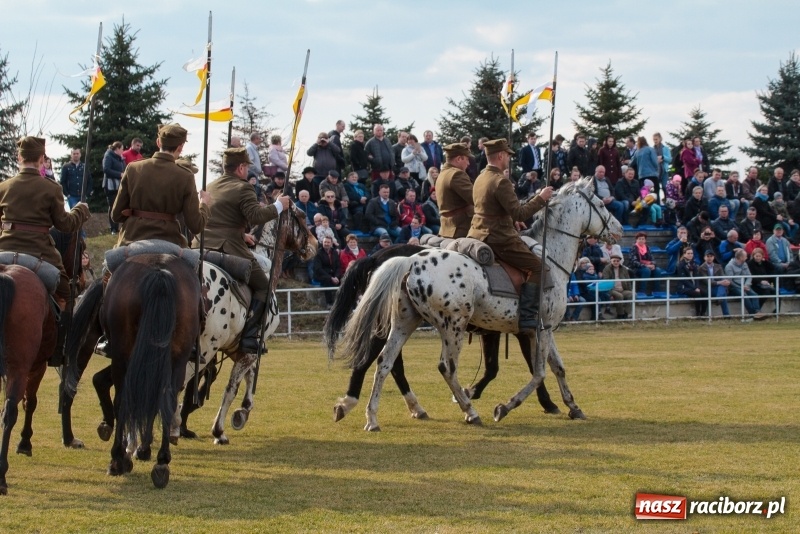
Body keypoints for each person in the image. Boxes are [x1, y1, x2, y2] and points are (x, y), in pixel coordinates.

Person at [0, 137, 91, 363]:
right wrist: (81, 211)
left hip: (3, 252)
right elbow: (65, 225)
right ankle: (59, 351)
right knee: (67, 293)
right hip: (38, 256)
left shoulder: (3, 187)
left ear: (19, 157)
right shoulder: (51, 188)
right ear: (41, 159)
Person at [195, 147, 290, 353]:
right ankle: (249, 337)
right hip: (228, 247)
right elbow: (256, 216)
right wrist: (279, 205)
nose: (247, 171)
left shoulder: (211, 185)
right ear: (240, 167)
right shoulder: (243, 187)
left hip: (200, 244)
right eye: (247, 167)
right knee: (265, 287)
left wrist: (241, 233)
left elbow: (217, 217)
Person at [467, 138, 554, 331]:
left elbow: (492, 208)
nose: (509, 158)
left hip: (477, 232)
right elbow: (520, 213)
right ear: (500, 155)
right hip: (500, 237)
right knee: (538, 268)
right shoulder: (501, 181)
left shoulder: (481, 177)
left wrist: (510, 218)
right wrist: (541, 198)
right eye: (507, 155)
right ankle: (528, 317)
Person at [111, 123, 211, 247]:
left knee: (109, 264)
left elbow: (116, 215)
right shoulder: (186, 176)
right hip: (170, 242)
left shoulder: (133, 168)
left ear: (158, 142)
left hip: (131, 239)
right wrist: (204, 203)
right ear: (180, 147)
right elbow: (196, 226)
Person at [436, 143, 474, 238]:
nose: (468, 163)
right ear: (459, 159)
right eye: (467, 159)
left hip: (448, 228)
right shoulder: (457, 174)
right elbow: (476, 199)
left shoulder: (443, 174)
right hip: (461, 229)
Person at [724, 248, 764, 318]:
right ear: (740, 257)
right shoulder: (729, 266)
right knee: (745, 296)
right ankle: (752, 314)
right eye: (745, 256)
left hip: (744, 285)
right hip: (734, 287)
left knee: (754, 295)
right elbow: (730, 281)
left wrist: (746, 285)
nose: (747, 257)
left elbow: (749, 276)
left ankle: (757, 312)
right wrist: (740, 287)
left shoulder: (744, 264)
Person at [102, 141, 125, 235]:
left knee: (118, 205)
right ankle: (113, 229)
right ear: (117, 149)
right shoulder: (108, 156)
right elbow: (106, 169)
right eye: (122, 149)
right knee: (112, 206)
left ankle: (117, 227)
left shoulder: (120, 158)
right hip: (110, 185)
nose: (123, 151)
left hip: (119, 185)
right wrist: (119, 174)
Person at [675, 247, 707, 316]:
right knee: (697, 294)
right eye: (688, 253)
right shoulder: (680, 265)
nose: (690, 255)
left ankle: (703, 313)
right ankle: (698, 313)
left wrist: (697, 286)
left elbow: (696, 277)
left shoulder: (694, 264)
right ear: (684, 254)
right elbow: (683, 279)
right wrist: (694, 288)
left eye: (691, 253)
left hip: (694, 286)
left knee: (705, 293)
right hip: (684, 287)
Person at [699, 249, 731, 317]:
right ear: (704, 257)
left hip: (717, 288)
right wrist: (721, 282)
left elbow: (723, 276)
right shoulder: (701, 268)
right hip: (707, 289)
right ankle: (726, 315)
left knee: (722, 287)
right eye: (708, 256)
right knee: (723, 293)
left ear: (713, 257)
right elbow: (708, 282)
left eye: (711, 256)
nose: (709, 258)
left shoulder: (718, 266)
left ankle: (719, 298)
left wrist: (726, 281)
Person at [601, 254, 633, 319]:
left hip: (622, 289)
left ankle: (626, 313)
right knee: (619, 296)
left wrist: (630, 289)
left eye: (617, 261)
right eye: (614, 261)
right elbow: (605, 280)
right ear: (611, 261)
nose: (616, 262)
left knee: (632, 294)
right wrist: (610, 292)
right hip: (612, 289)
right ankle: (620, 314)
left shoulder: (624, 269)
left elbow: (628, 280)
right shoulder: (607, 269)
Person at [629, 136, 660, 200]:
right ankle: (657, 208)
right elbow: (655, 162)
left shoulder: (637, 152)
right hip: (652, 175)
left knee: (644, 196)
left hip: (642, 176)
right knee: (655, 194)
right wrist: (657, 170)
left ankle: (646, 209)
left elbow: (631, 164)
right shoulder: (650, 149)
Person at [313, 236, 340, 307]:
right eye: (325, 242)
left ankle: (340, 302)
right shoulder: (318, 253)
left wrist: (337, 277)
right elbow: (318, 268)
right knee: (327, 280)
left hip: (333, 274)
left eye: (328, 242)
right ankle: (329, 303)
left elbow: (338, 266)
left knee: (343, 279)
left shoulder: (334, 252)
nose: (326, 244)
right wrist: (331, 278)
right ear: (322, 243)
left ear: (331, 243)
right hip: (321, 274)